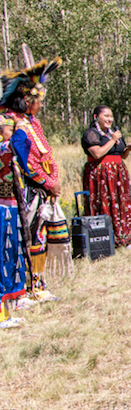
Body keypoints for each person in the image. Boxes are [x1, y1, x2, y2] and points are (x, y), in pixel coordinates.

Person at [1, 57, 63, 302]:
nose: (39, 106)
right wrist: (47, 182)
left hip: (42, 188)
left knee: (40, 235)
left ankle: (38, 284)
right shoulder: (11, 122)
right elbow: (24, 161)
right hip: (25, 189)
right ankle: (23, 287)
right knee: (24, 236)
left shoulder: (32, 122)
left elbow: (46, 152)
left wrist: (54, 178)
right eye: (37, 102)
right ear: (26, 100)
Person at [81, 106, 131, 248]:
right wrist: (113, 140)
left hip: (117, 175)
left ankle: (123, 238)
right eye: (105, 116)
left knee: (120, 203)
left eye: (111, 116)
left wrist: (127, 150)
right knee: (104, 203)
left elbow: (121, 156)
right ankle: (104, 240)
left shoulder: (113, 133)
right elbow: (97, 154)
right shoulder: (91, 133)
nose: (109, 119)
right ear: (96, 117)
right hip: (100, 176)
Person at [0, 116, 26, 328]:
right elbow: (18, 142)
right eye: (9, 128)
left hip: (10, 205)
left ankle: (11, 303)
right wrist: (21, 126)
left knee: (10, 255)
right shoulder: (4, 148)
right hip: (2, 208)